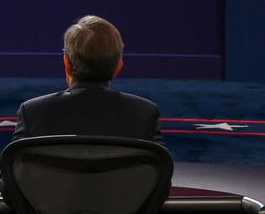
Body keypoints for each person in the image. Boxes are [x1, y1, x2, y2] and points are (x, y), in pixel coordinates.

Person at [11, 15, 163, 143]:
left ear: (67, 63)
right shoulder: (145, 114)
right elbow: (160, 176)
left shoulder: (33, 114)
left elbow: (14, 177)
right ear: (118, 66)